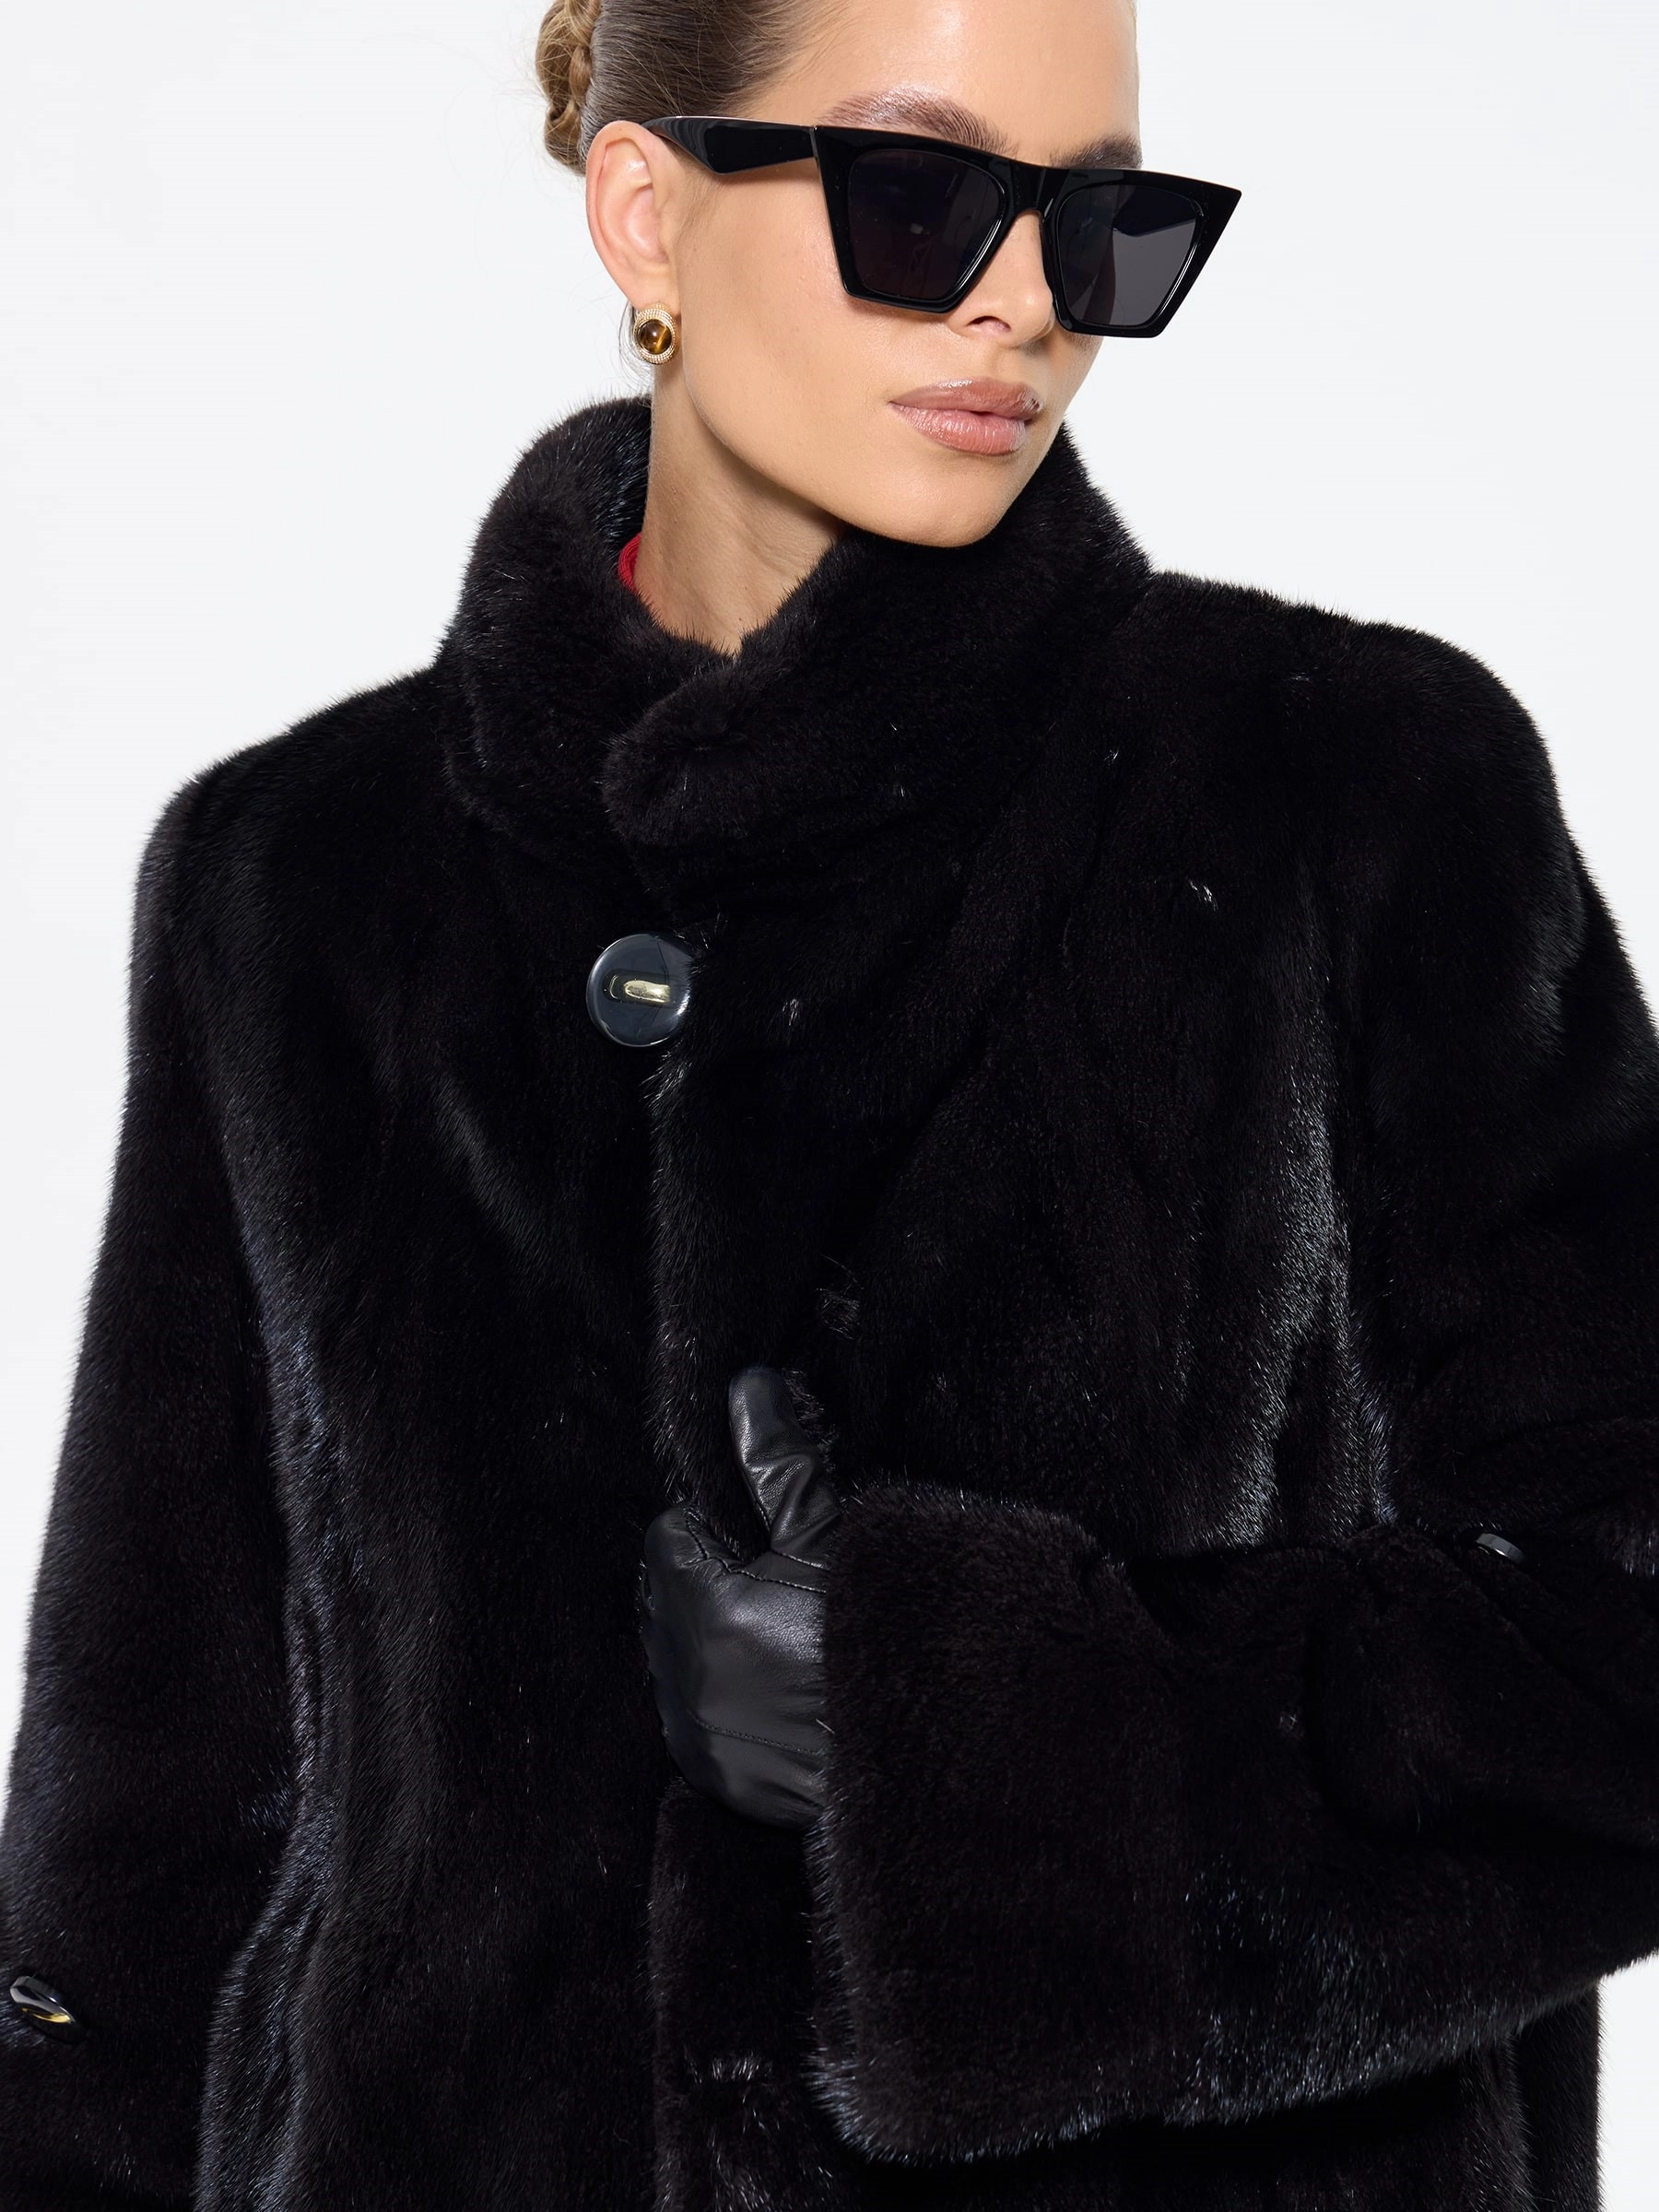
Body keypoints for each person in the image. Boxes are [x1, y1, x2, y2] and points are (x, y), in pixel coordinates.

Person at [3, 0, 1657, 2205]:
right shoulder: (294, 878)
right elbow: (147, 1814)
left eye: (1104, 225)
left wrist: (963, 1740)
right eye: (920, 194)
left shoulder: (1348, 798)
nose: (1024, 304)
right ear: (643, 211)